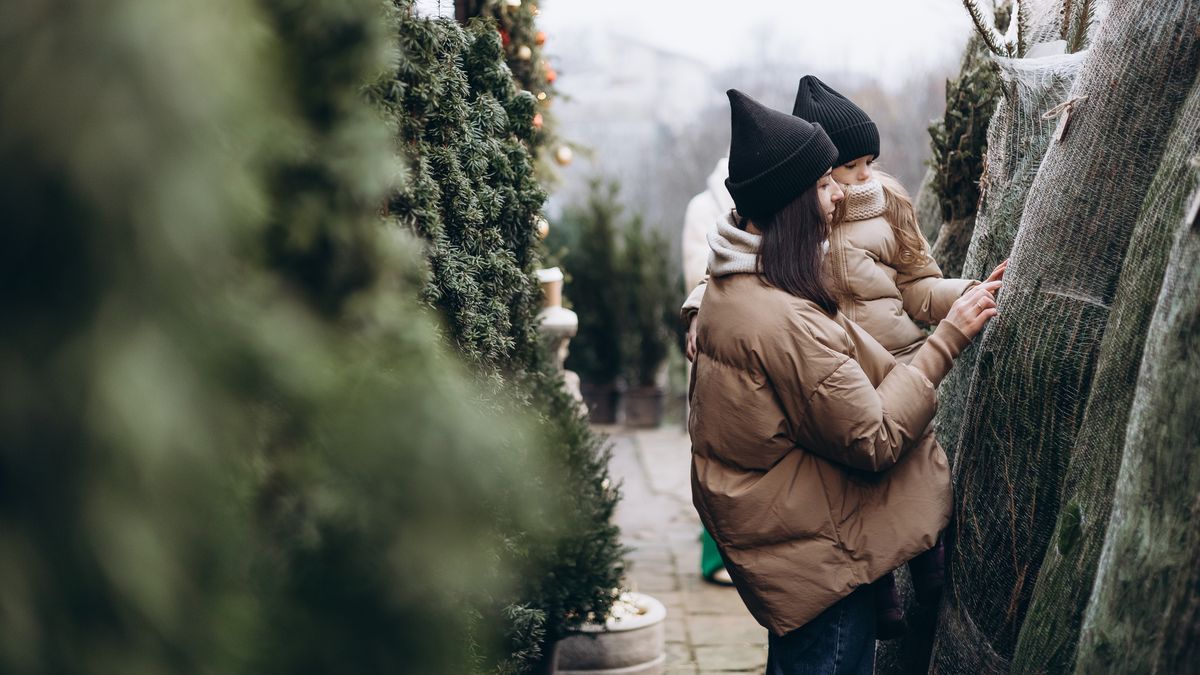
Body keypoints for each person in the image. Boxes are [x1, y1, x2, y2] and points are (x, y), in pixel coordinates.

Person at [690, 89, 1000, 673]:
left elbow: (914, 284)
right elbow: (875, 436)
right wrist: (948, 340)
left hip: (789, 538)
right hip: (816, 558)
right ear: (791, 204)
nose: (845, 192)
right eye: (825, 184)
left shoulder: (744, 282)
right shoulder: (785, 316)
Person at [682, 158, 737, 586]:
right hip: (716, 337)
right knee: (715, 453)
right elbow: (696, 271)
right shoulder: (703, 208)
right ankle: (712, 558)